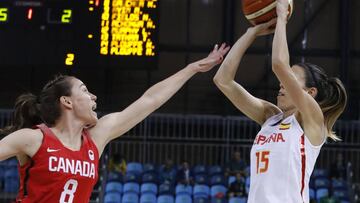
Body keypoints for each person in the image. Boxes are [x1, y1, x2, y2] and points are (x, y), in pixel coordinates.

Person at [0, 44, 230, 203]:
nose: (94, 97)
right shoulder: (34, 138)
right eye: (85, 91)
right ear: (66, 101)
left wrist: (191, 69)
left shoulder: (95, 139)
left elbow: (150, 100)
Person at [213, 0, 347, 202]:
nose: (282, 84)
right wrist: (251, 34)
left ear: (310, 92)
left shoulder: (311, 120)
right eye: (284, 80)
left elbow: (278, 64)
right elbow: (222, 80)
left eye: (290, 79)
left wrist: (282, 18)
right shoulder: (270, 117)